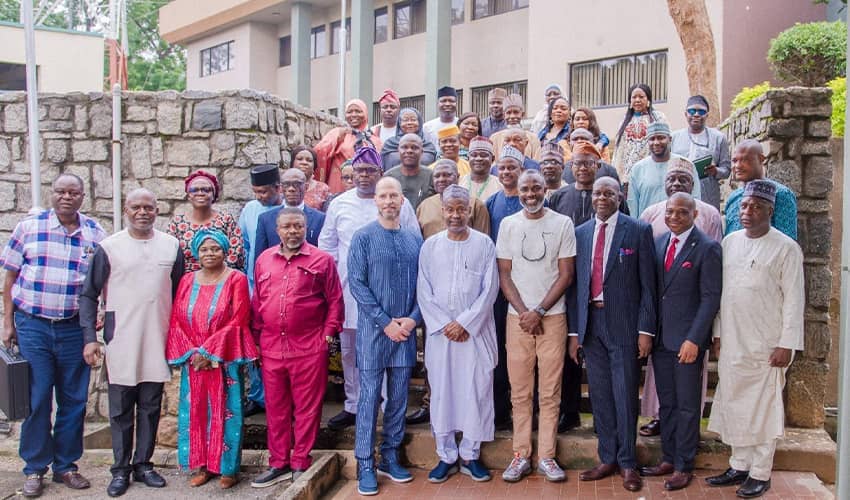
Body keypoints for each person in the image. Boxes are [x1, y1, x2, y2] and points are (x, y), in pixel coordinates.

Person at [0, 173, 106, 498]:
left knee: (74, 400)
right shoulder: (29, 228)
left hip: (75, 328)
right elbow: (10, 277)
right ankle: (34, 468)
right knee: (37, 398)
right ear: (53, 193)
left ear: (83, 196)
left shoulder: (95, 234)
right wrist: (7, 322)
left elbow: (102, 281)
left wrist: (101, 308)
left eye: (73, 192)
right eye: (61, 191)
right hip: (33, 326)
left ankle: (66, 466)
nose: (66, 197)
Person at [79, 188, 182, 497]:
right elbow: (88, 295)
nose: (142, 212)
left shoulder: (171, 246)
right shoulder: (109, 247)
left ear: (157, 209)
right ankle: (120, 469)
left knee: (150, 406)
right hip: (121, 337)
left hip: (157, 336)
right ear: (125, 209)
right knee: (121, 408)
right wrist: (90, 339)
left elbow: (178, 293)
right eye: (136, 207)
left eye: (148, 207)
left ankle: (144, 465)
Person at [707, 180, 804, 498]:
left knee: (764, 408)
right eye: (744, 206)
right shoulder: (729, 243)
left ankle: (761, 473)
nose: (747, 212)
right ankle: (739, 464)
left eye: (756, 207)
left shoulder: (786, 248)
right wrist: (718, 334)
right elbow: (721, 294)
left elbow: (794, 300)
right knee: (735, 403)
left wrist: (786, 344)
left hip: (767, 344)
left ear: (770, 211)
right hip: (734, 340)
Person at [319, 145, 420, 431]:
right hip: (352, 293)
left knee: (390, 350)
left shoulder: (398, 203)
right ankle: (354, 404)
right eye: (359, 171)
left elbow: (413, 242)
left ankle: (388, 406)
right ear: (350, 174)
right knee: (351, 352)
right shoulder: (339, 204)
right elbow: (327, 248)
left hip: (392, 295)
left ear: (380, 172)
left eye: (370, 171)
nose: (364, 176)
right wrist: (334, 286)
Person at [569, 177, 656, 493]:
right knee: (601, 396)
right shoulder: (580, 233)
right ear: (591, 197)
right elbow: (575, 286)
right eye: (597, 193)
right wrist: (574, 332)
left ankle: (628, 462)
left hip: (624, 326)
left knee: (623, 394)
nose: (602, 197)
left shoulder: (638, 230)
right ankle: (607, 457)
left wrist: (645, 331)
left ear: (620, 196)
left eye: (609, 192)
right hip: (591, 325)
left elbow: (648, 286)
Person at [250, 208, 344, 487]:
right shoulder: (264, 260)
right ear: (277, 230)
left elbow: (335, 301)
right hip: (271, 348)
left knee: (307, 408)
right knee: (276, 409)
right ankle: (278, 462)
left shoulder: (322, 260)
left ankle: (300, 460)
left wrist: (327, 336)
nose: (293, 231)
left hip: (309, 347)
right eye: (287, 227)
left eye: (298, 226)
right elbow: (258, 304)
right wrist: (255, 341)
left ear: (306, 229)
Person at [638, 192, 721, 492]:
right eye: (670, 212)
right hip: (661, 340)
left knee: (687, 406)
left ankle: (684, 464)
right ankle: (669, 457)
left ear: (694, 215)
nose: (674, 217)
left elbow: (710, 298)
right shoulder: (659, 243)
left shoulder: (707, 248)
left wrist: (695, 339)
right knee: (668, 405)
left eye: (681, 213)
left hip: (686, 342)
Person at [497, 170, 575, 483]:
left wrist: (540, 310)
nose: (531, 194)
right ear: (518, 191)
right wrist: (524, 312)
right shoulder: (508, 225)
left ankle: (547, 456)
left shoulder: (562, 223)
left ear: (546, 190)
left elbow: (566, 274)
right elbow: (504, 275)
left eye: (536, 189)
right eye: (525, 189)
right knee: (519, 391)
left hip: (552, 318)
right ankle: (520, 455)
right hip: (517, 320)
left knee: (550, 391)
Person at [418, 185, 499, 483]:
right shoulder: (431, 246)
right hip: (442, 336)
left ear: (469, 211)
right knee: (443, 392)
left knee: (475, 392)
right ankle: (446, 455)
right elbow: (423, 291)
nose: (455, 215)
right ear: (442, 211)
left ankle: (470, 455)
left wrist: (465, 323)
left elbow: (490, 290)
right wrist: (445, 324)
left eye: (460, 209)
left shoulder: (485, 244)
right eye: (449, 209)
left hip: (474, 335)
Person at [348, 177, 423, 496]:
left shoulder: (413, 240)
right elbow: (357, 284)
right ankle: (365, 460)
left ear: (403, 200)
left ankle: (390, 454)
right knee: (368, 398)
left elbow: (425, 286)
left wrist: (412, 320)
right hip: (372, 333)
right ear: (376, 201)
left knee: (399, 397)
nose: (390, 200)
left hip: (405, 333)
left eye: (395, 195)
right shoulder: (363, 238)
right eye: (384, 195)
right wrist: (384, 322)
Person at [166, 229, 258, 489]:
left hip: (224, 359)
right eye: (204, 249)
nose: (210, 253)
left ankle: (228, 468)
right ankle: (202, 465)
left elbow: (239, 318)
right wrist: (194, 353)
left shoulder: (236, 279)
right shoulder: (186, 281)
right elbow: (176, 319)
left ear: (225, 251)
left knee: (226, 412)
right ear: (196, 253)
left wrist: (210, 352)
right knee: (195, 412)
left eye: (215, 249)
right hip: (193, 361)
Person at [548, 141, 609, 434]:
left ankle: (602, 415)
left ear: (598, 166)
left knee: (598, 352)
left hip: (599, 284)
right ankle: (569, 412)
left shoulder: (608, 196)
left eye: (589, 163)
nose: (583, 168)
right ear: (571, 168)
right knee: (567, 352)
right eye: (578, 164)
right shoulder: (559, 197)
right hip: (568, 283)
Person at [485, 145, 526, 430]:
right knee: (499, 349)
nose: (507, 172)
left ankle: (527, 411)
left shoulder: (530, 200)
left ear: (522, 170)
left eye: (513, 167)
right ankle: (500, 411)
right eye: (503, 167)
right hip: (500, 289)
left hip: (529, 287)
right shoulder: (491, 203)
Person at [167, 170, 244, 273]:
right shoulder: (177, 223)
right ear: (188, 195)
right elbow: (169, 255)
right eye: (194, 190)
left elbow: (236, 255)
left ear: (214, 194)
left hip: (220, 280)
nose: (200, 193)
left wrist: (209, 274)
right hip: (185, 282)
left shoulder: (226, 221)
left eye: (206, 190)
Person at [724, 139, 797, 240]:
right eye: (734, 161)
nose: (738, 166)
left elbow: (788, 241)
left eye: (745, 160)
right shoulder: (733, 197)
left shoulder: (780, 194)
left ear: (761, 159)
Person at [627, 122, 701, 218]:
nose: (656, 143)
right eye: (652, 139)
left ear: (670, 139)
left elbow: (696, 198)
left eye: (661, 138)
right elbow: (633, 203)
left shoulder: (684, 164)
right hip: (648, 225)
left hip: (680, 224)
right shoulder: (638, 168)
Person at [671, 95, 731, 211]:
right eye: (692, 111)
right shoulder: (674, 138)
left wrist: (715, 171)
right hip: (680, 196)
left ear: (707, 115)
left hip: (707, 196)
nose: (696, 114)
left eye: (701, 111)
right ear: (686, 114)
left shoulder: (718, 138)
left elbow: (727, 169)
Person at [314, 99, 382, 193]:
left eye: (358, 111)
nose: (353, 115)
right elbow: (319, 151)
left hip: (366, 184)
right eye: (349, 112)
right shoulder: (338, 133)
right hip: (339, 182)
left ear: (365, 114)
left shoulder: (373, 139)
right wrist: (336, 139)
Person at [254, 168, 326, 257]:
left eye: (297, 184)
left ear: (306, 187)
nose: (291, 189)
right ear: (281, 188)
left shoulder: (320, 219)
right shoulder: (265, 219)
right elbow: (260, 259)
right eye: (286, 184)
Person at [416, 160, 490, 239]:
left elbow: (483, 240)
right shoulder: (424, 206)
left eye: (447, 175)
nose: (441, 179)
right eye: (437, 176)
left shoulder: (476, 205)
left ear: (458, 177)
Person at [238, 164, 283, 295]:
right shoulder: (250, 208)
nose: (258, 197)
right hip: (254, 278)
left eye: (263, 192)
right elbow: (244, 244)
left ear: (277, 188)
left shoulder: (289, 210)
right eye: (255, 192)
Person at [612, 83, 667, 186]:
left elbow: (667, 144)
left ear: (648, 100)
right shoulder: (624, 121)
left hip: (652, 174)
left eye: (641, 97)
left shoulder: (658, 118)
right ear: (630, 101)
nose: (637, 100)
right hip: (628, 178)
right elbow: (618, 151)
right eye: (634, 97)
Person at [383, 133, 436, 210]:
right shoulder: (388, 177)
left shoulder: (431, 176)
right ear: (398, 150)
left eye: (414, 147)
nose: (409, 151)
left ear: (422, 152)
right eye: (404, 147)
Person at [490, 94, 541, 161]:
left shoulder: (533, 138)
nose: (512, 116)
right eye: (508, 113)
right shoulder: (494, 138)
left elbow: (536, 164)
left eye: (516, 112)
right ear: (504, 115)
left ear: (522, 114)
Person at [460, 136, 502, 201]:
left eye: (483, 155)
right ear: (468, 158)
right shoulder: (459, 182)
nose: (478, 158)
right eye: (474, 155)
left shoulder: (500, 186)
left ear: (492, 159)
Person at [291, 145, 331, 211]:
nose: (304, 163)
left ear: (314, 166)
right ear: (292, 163)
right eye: (300, 159)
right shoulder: (283, 187)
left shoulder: (323, 189)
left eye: (309, 160)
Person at [536, 96, 572, 160]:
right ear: (550, 113)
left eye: (563, 109)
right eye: (555, 108)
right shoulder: (542, 132)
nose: (558, 111)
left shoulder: (572, 132)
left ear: (569, 113)